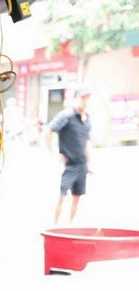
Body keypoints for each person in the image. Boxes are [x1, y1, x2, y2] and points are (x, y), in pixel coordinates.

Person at [47, 88, 92, 224]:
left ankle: (69, 225)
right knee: (61, 196)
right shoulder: (66, 115)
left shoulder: (87, 119)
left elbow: (87, 142)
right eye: (82, 98)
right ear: (75, 99)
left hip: (82, 165)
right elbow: (49, 130)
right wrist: (55, 153)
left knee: (76, 197)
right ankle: (54, 226)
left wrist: (90, 163)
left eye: (87, 98)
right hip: (68, 165)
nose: (84, 101)